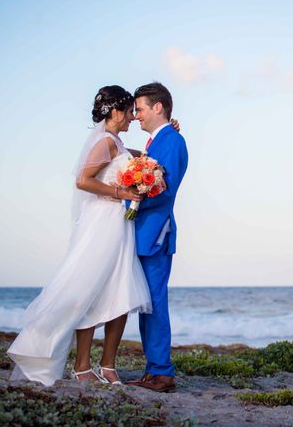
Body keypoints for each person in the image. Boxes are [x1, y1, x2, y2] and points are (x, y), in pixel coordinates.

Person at [7, 85, 152, 386]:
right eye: (128, 112)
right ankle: (82, 365)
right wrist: (120, 191)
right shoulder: (104, 142)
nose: (131, 118)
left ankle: (108, 365)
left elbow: (144, 157)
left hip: (120, 226)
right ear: (115, 112)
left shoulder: (117, 142)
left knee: (122, 291)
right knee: (86, 288)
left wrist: (163, 136)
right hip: (103, 224)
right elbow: (82, 181)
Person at [126, 82, 188, 392]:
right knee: (146, 304)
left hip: (156, 233)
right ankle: (154, 369)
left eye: (139, 109)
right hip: (142, 233)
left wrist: (127, 198)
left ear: (157, 108)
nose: (136, 115)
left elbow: (164, 189)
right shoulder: (155, 141)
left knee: (155, 302)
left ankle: (162, 372)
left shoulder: (173, 141)